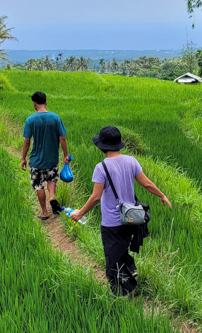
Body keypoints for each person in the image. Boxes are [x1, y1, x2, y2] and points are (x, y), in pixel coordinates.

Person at [70, 126, 171, 295]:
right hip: (130, 219)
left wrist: (80, 213)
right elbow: (146, 183)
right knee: (122, 249)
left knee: (112, 260)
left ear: (102, 146)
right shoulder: (131, 161)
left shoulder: (101, 167)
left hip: (112, 222)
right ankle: (131, 270)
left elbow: (96, 197)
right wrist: (162, 196)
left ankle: (121, 294)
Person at [20, 91, 68, 220]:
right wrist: (65, 155)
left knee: (39, 185)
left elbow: (27, 141)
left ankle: (44, 212)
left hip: (36, 160)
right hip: (52, 158)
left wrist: (23, 158)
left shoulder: (30, 119)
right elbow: (62, 139)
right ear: (46, 102)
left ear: (34, 104)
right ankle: (52, 197)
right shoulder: (55, 118)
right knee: (51, 179)